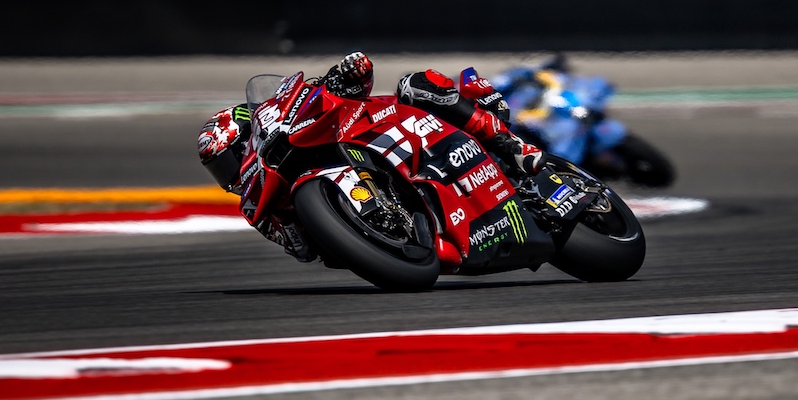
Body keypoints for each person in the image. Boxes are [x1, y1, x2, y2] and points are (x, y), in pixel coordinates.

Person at [197, 52, 544, 262]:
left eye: (228, 160)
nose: (229, 174)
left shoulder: (300, 111)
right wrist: (288, 221)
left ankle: (513, 146)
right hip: (381, 239)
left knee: (417, 83)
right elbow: (303, 252)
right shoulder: (256, 209)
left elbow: (359, 72)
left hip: (396, 126)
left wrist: (344, 74)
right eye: (219, 170)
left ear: (249, 136)